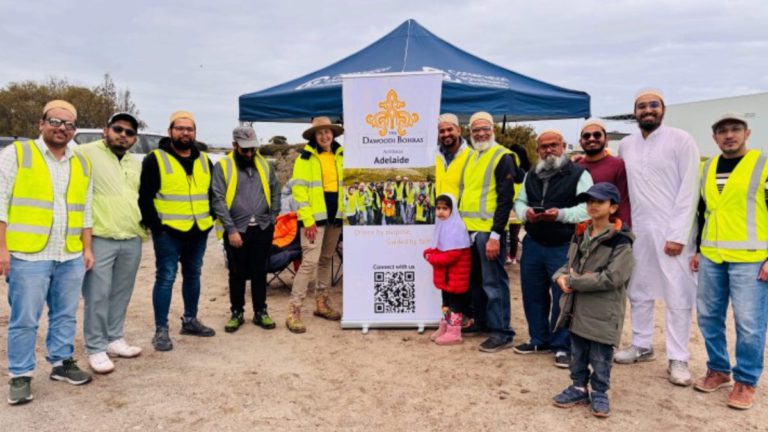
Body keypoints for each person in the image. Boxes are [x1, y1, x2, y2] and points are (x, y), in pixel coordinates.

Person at [1, 100, 94, 405]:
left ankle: (61, 362)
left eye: (68, 124)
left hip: (69, 253)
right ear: (41, 124)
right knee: (25, 318)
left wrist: (87, 248)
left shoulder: (80, 162)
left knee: (65, 314)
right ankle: (21, 374)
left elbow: (86, 210)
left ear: (74, 131)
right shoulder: (17, 154)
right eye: (55, 121)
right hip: (28, 255)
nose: (61, 128)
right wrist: (2, 248)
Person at [614, 89, 700, 387]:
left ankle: (678, 357)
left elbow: (689, 189)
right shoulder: (626, 144)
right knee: (638, 288)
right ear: (634, 112)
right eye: (641, 106)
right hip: (637, 229)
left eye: (653, 105)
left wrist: (678, 234)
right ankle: (642, 344)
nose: (647, 110)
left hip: (672, 229)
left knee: (677, 293)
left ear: (663, 109)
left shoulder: (682, 139)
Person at [690, 113, 768, 409]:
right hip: (712, 254)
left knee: (749, 322)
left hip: (751, 257)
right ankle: (719, 369)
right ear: (715, 138)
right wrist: (698, 249)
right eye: (723, 131)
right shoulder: (707, 167)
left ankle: (746, 380)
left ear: (747, 133)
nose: (729, 135)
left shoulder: (763, 164)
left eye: (735, 130)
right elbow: (702, 211)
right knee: (709, 316)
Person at [551, 183, 635, 418]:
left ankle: (599, 392)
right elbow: (568, 265)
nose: (593, 205)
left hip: (603, 310)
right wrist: (559, 277)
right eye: (589, 201)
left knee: (600, 355)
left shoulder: (621, 240)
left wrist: (574, 281)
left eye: (599, 201)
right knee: (577, 351)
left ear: (613, 207)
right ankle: (578, 387)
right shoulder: (581, 232)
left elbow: (612, 277)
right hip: (577, 308)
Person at [513, 128, 592, 368]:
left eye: (553, 145)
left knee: (562, 296)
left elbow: (589, 208)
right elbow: (520, 201)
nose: (549, 150)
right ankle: (538, 339)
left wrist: (560, 215)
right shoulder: (531, 175)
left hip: (563, 244)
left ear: (563, 147)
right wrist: (524, 213)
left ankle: (562, 345)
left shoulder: (579, 174)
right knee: (532, 293)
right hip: (534, 242)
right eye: (543, 147)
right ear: (537, 151)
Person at [138, 111, 216, 352]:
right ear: (170, 131)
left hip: (198, 230)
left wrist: (210, 219)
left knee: (193, 276)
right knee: (166, 278)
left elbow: (212, 194)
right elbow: (145, 197)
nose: (185, 133)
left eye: (189, 129)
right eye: (180, 128)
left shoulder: (205, 160)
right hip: (168, 233)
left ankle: (190, 320)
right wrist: (157, 228)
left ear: (195, 133)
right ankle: (161, 329)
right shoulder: (155, 159)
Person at [77, 112, 146, 374]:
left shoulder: (134, 163)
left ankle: (114, 338)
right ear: (105, 130)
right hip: (99, 236)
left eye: (129, 133)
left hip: (130, 236)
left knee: (121, 292)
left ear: (134, 139)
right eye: (118, 129)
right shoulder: (85, 153)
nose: (123, 135)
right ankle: (96, 347)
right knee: (97, 294)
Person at [458, 111, 518, 353]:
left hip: (488, 232)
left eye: (485, 129)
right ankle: (482, 322)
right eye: (475, 130)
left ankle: (502, 332)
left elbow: (505, 199)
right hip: (471, 231)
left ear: (493, 130)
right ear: (470, 133)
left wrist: (496, 234)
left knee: (494, 283)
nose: (481, 133)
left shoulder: (502, 156)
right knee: (477, 282)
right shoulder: (473, 156)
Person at [212, 126, 279, 333]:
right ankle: (237, 312)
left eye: (253, 149)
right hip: (236, 229)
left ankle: (260, 312)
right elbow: (218, 199)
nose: (249, 154)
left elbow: (275, 190)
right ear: (234, 146)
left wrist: (273, 217)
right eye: (245, 150)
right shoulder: (223, 167)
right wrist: (231, 229)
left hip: (262, 226)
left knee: (260, 271)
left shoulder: (265, 165)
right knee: (237, 273)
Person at [287, 116, 344, 333]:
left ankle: (321, 303)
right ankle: (294, 310)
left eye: (327, 132)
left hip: (335, 216)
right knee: (309, 262)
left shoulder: (341, 155)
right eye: (319, 133)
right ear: (314, 136)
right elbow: (299, 190)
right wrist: (307, 219)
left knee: (326, 260)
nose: (324, 136)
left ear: (333, 134)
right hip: (313, 218)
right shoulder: (305, 158)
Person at [423, 194, 472, 345]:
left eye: (445, 208)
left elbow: (453, 255)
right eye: (438, 208)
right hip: (447, 276)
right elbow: (439, 246)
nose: (440, 212)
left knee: (455, 304)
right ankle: (444, 326)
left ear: (453, 209)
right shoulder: (442, 225)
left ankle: (454, 332)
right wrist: (429, 251)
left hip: (456, 275)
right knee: (446, 302)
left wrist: (432, 258)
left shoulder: (456, 227)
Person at [576, 118, 631, 226]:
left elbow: (623, 203)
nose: (591, 139)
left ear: (606, 139)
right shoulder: (576, 167)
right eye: (586, 136)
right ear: (580, 141)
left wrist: (621, 231)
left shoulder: (618, 165)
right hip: (583, 233)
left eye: (597, 135)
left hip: (609, 232)